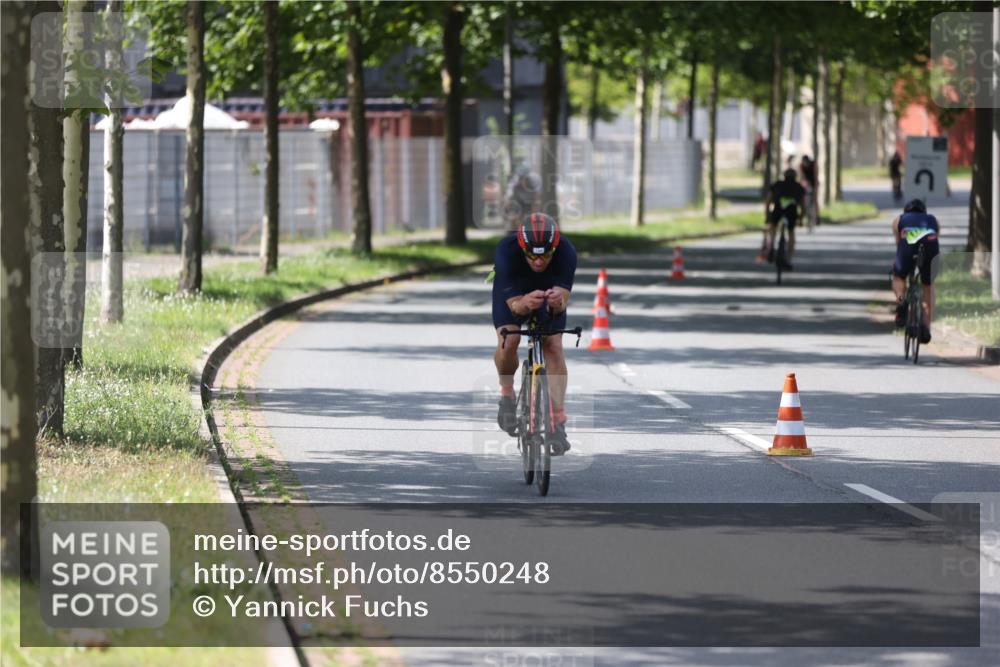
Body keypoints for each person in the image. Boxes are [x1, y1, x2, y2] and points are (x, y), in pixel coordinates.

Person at [493, 213, 578, 455]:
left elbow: (561, 303)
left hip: (548, 293)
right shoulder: (506, 251)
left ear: (555, 248)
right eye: (532, 255)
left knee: (554, 346)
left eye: (545, 255)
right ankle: (506, 394)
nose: (539, 262)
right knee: (510, 339)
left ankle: (558, 422)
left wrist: (557, 302)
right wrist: (523, 303)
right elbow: (515, 308)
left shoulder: (566, 252)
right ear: (522, 248)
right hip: (514, 295)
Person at [891, 198, 939, 344]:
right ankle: (926, 328)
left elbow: (899, 244)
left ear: (906, 211)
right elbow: (936, 238)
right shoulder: (933, 220)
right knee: (928, 285)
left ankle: (901, 301)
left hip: (907, 245)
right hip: (930, 246)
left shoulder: (899, 220)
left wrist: (900, 265)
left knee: (898, 277)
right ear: (924, 212)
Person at [759, 168, 806, 269]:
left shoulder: (777, 185)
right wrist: (801, 219)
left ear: (784, 176)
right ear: (795, 177)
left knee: (773, 227)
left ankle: (771, 247)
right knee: (791, 232)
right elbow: (803, 206)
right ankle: (789, 259)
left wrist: (767, 216)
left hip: (778, 210)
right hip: (791, 212)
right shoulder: (799, 187)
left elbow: (768, 202)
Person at [503, 164, 542, 230]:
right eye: (521, 177)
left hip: (529, 201)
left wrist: (536, 204)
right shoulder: (515, 181)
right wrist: (508, 202)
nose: (523, 179)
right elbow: (509, 192)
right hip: (518, 200)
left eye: (524, 177)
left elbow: (537, 194)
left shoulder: (533, 180)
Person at [799, 155, 819, 227]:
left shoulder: (813, 165)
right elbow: (802, 176)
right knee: (803, 200)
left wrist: (815, 188)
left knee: (815, 199)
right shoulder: (801, 166)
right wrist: (803, 185)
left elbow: (815, 176)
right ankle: (802, 217)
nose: (805, 164)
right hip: (806, 183)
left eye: (806, 163)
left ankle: (817, 217)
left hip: (813, 182)